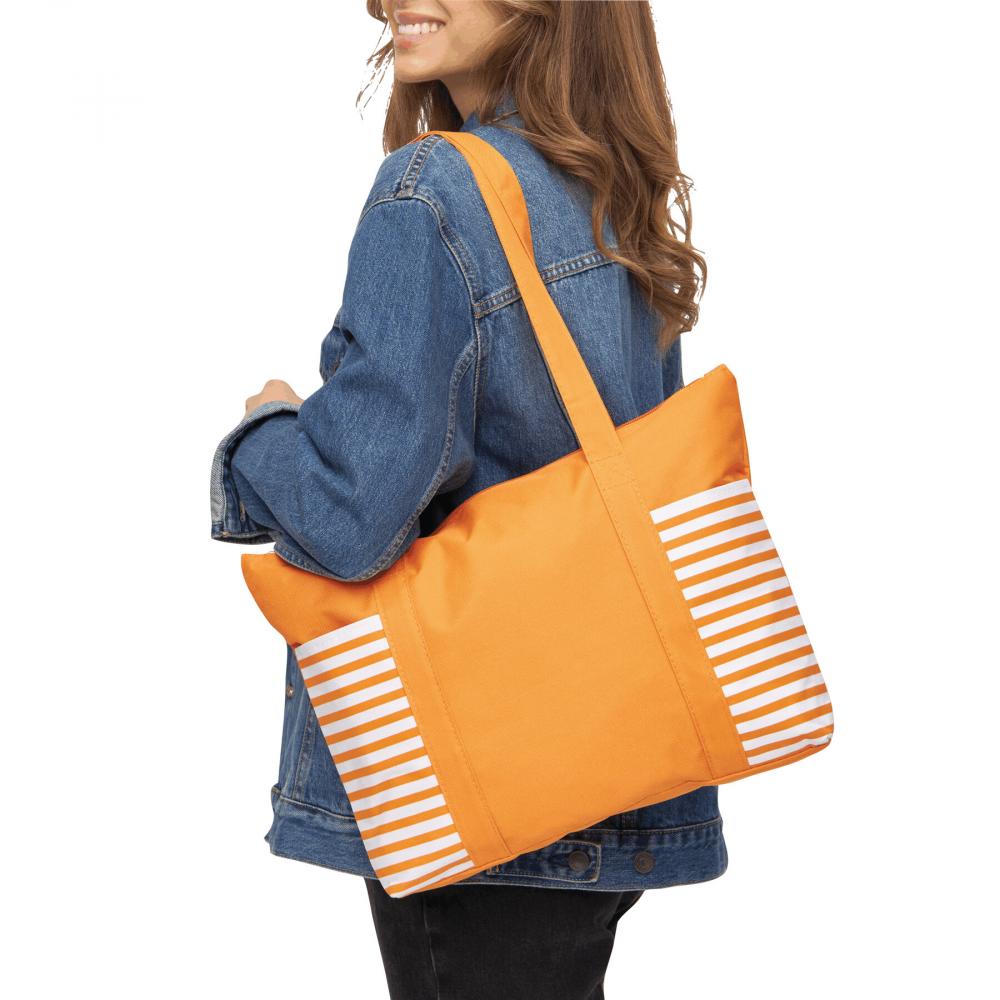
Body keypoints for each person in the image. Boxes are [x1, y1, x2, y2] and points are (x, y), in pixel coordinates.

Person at [210, 2, 726, 996]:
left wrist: (266, 433)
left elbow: (352, 518)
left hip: (480, 790)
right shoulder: (613, 189)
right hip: (617, 764)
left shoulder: (433, 190)